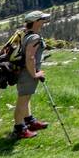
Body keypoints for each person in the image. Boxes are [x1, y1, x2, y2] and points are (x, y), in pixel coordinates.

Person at [13, 11, 51, 140]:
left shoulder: (25, 34)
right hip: (27, 73)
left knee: (26, 98)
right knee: (22, 101)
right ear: (35, 22)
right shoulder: (34, 37)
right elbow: (30, 58)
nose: (44, 21)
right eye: (42, 19)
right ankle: (19, 129)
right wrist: (35, 74)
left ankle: (30, 121)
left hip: (24, 72)